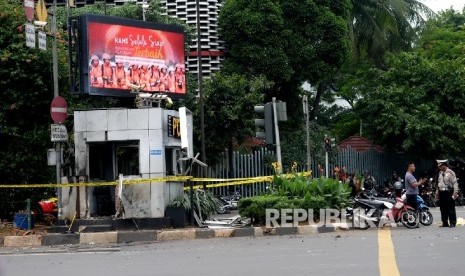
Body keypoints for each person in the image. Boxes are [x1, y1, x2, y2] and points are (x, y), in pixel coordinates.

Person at [436, 160, 459, 227]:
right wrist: (437, 192)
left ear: (444, 165)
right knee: (442, 208)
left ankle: (452, 222)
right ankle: (445, 222)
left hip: (448, 192)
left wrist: (455, 192)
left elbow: (455, 183)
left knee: (450, 207)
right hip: (441, 192)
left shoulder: (451, 173)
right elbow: (439, 183)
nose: (439, 167)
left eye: (440, 166)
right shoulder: (440, 173)